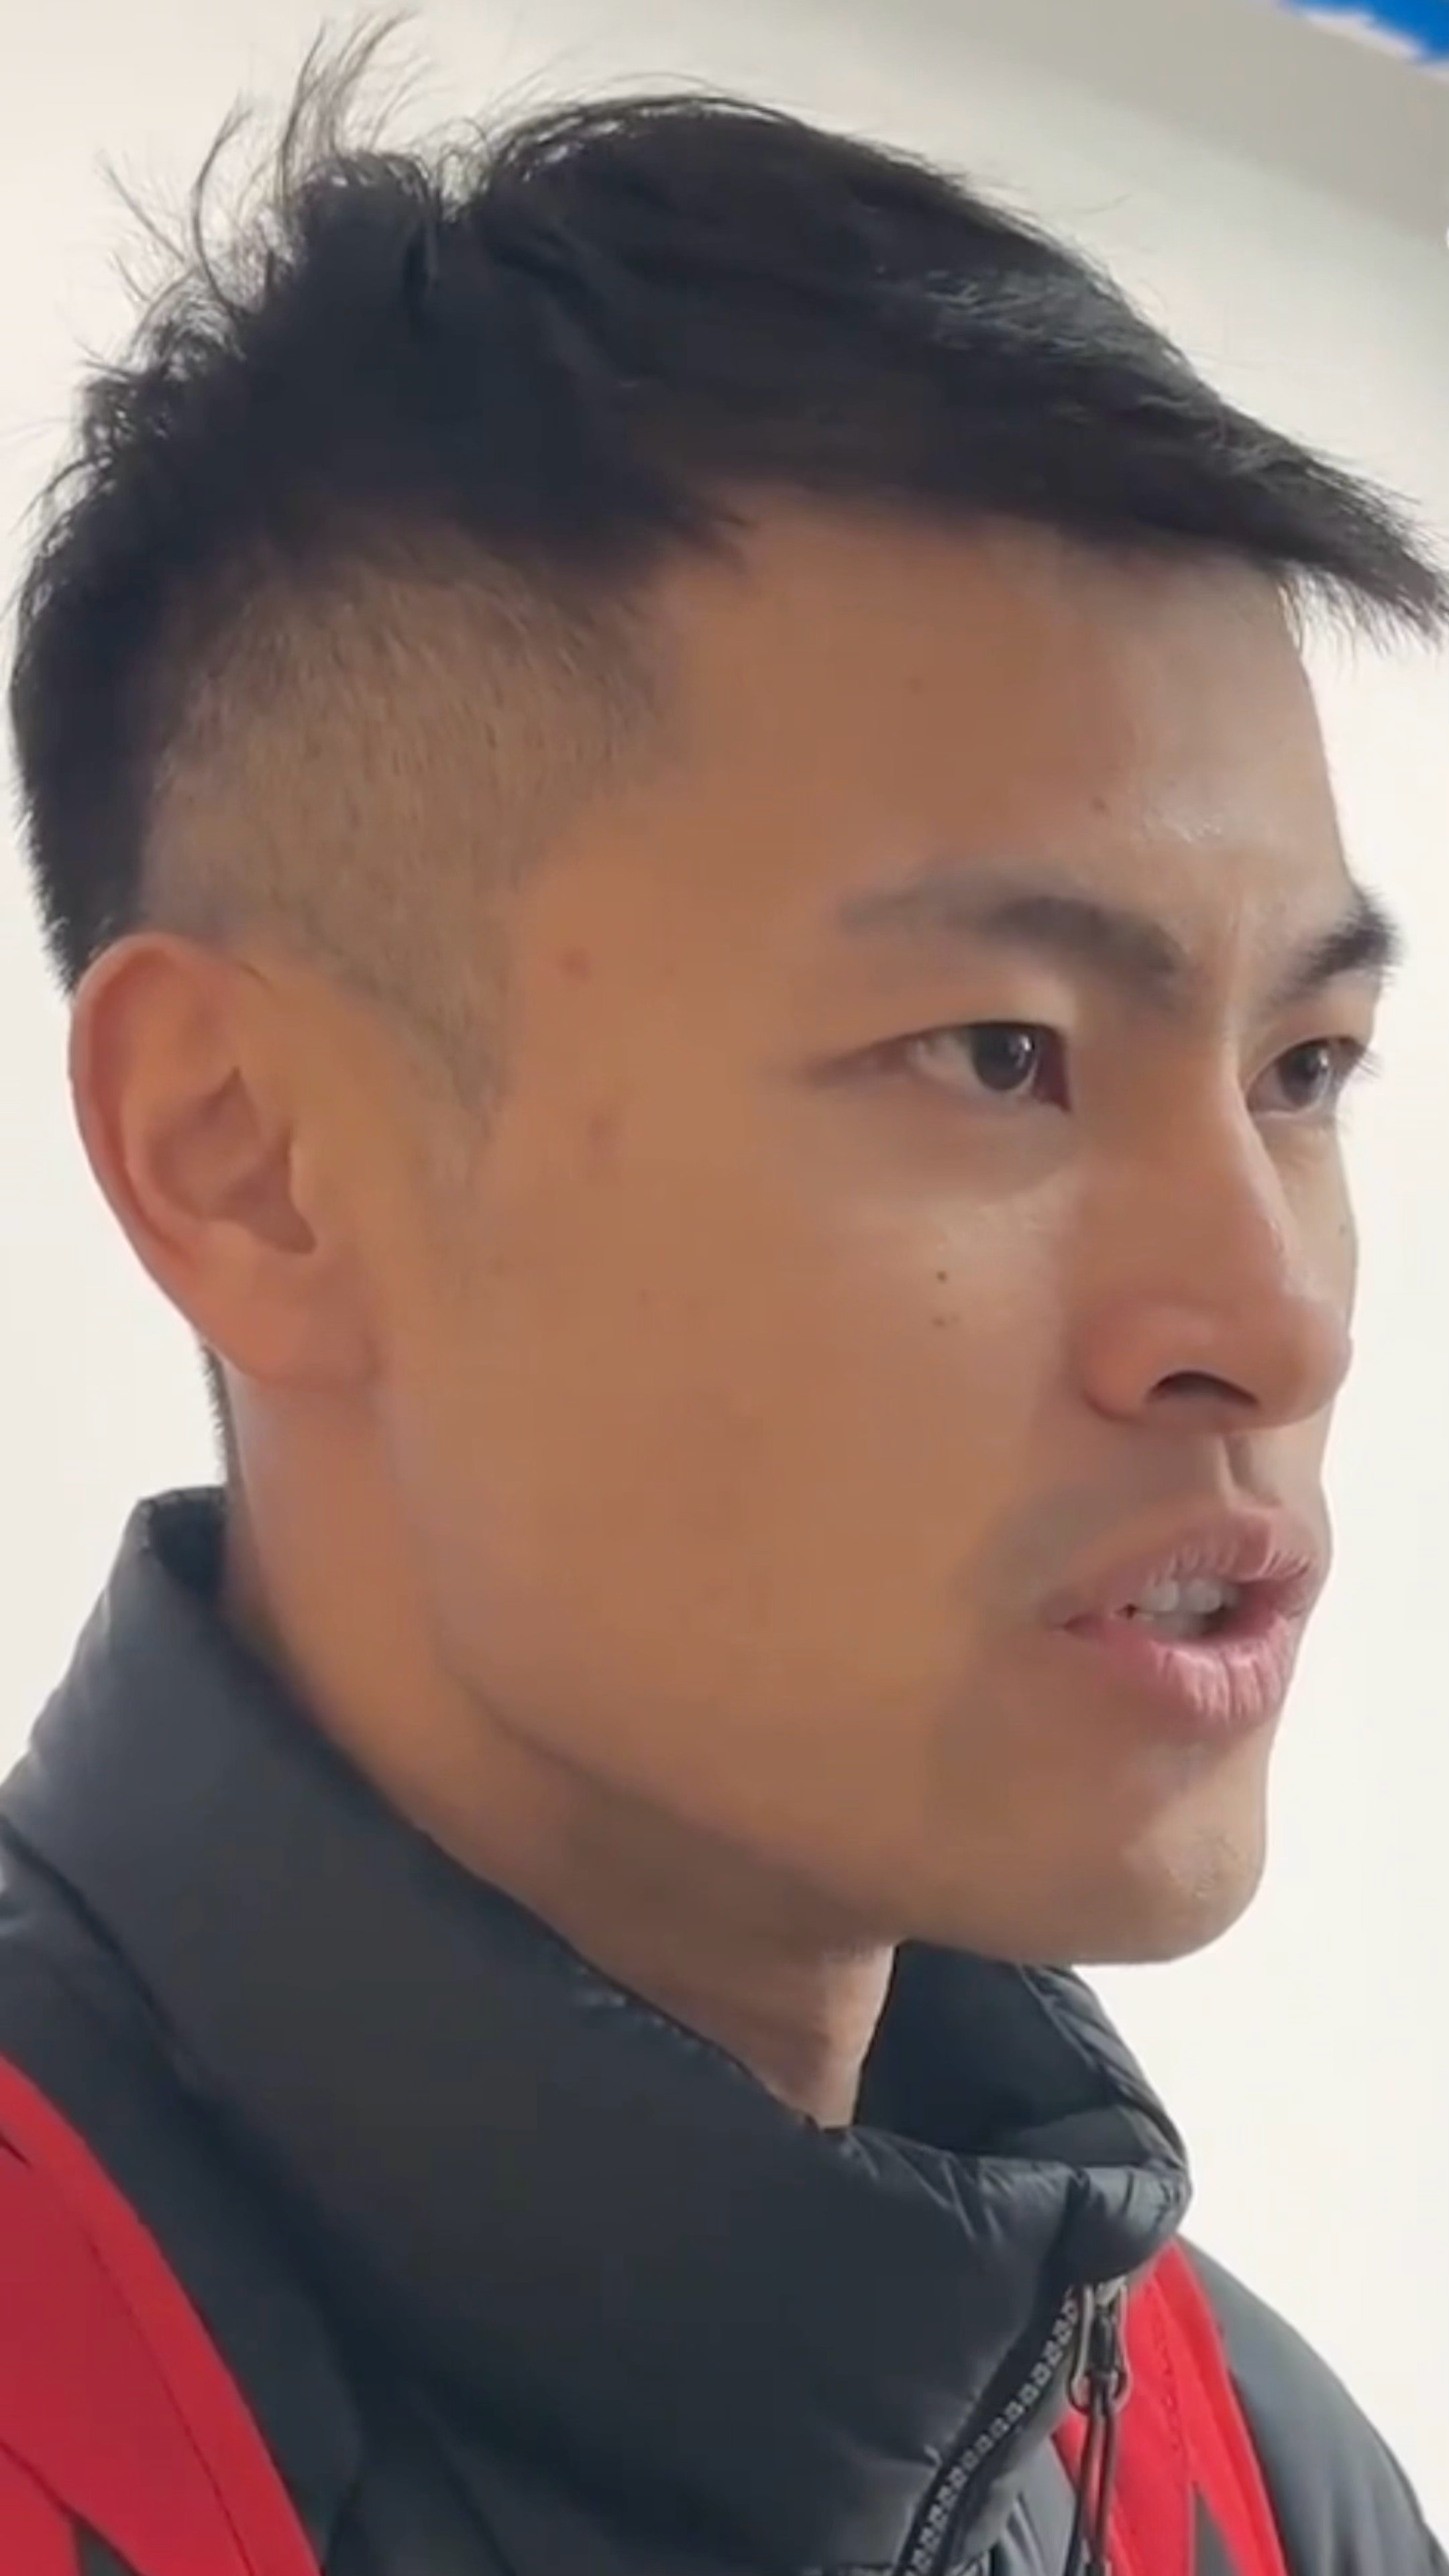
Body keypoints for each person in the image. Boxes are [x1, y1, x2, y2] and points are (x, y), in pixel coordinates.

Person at [0, 40, 1444, 2576]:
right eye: (1000, 1053)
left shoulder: (1245, 2481)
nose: (1273, 1323)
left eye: (1302, 1068)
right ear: (251, 1158)